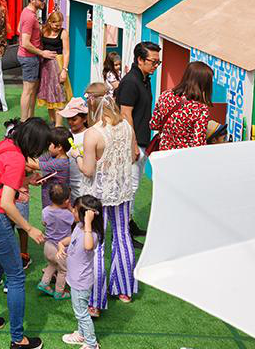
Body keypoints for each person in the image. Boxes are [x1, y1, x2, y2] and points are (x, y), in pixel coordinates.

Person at [0, 118, 49, 349]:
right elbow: (6, 202)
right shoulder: (17, 158)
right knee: (15, 276)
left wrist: (26, 180)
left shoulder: (5, 145)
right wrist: (29, 227)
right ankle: (18, 339)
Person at [74, 82, 136, 316]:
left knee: (97, 244)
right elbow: (131, 156)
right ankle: (125, 289)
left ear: (92, 103)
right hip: (121, 190)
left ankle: (95, 301)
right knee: (122, 238)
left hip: (98, 196)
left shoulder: (93, 134)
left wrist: (77, 157)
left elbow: (88, 170)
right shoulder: (126, 126)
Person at [115, 41, 160, 239]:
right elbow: (126, 115)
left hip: (142, 142)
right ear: (140, 60)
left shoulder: (145, 78)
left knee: (134, 186)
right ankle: (123, 232)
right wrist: (132, 145)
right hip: (131, 145)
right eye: (153, 62)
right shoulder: (131, 82)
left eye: (159, 62)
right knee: (129, 189)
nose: (156, 66)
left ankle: (129, 224)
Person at [60, 195, 104, 349]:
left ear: (86, 216)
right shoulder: (79, 228)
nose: (72, 211)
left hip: (81, 282)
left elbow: (87, 246)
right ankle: (81, 334)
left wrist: (88, 223)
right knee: (79, 310)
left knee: (82, 314)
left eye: (75, 210)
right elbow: (71, 239)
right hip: (75, 279)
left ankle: (92, 344)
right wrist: (61, 244)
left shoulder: (91, 234)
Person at [150, 61, 213, 150]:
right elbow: (198, 144)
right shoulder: (200, 109)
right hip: (183, 158)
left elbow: (154, 125)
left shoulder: (166, 95)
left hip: (163, 154)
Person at [17, 0, 55, 121]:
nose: (44, 1)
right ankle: (23, 122)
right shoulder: (29, 17)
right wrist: (42, 52)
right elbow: (25, 43)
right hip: (29, 57)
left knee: (32, 90)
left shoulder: (27, 13)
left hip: (30, 57)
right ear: (33, 0)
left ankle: (29, 119)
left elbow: (19, 29)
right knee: (28, 90)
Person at [37, 184, 74, 300]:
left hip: (48, 246)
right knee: (63, 270)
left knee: (51, 265)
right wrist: (70, 208)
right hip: (60, 249)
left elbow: (44, 223)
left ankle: (44, 283)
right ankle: (59, 292)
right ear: (66, 201)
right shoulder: (68, 214)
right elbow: (76, 219)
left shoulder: (46, 211)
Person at [36, 11, 72, 126]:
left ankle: (59, 125)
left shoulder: (63, 33)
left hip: (58, 64)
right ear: (50, 22)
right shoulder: (43, 30)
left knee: (59, 95)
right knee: (48, 95)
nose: (58, 27)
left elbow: (66, 52)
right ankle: (53, 121)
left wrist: (64, 70)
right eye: (56, 25)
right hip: (46, 67)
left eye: (60, 25)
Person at [58, 98, 89, 202]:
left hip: (84, 185)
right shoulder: (65, 134)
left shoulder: (89, 135)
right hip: (67, 183)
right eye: (68, 119)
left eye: (74, 119)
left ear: (85, 119)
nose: (70, 122)